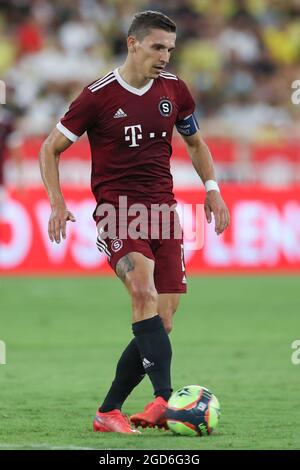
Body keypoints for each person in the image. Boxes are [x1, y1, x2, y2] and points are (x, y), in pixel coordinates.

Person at [39, 10, 230, 435]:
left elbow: (196, 143)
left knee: (161, 320)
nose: (165, 56)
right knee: (141, 290)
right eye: (157, 47)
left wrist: (212, 188)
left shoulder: (175, 91)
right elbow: (50, 148)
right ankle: (167, 398)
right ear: (133, 44)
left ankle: (109, 410)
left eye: (170, 49)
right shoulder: (97, 96)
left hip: (164, 214)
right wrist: (57, 202)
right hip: (117, 213)